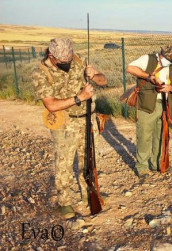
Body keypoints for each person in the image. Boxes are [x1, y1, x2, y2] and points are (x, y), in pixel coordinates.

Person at [32, 38, 107, 219]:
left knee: (88, 159)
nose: (68, 63)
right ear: (52, 56)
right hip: (65, 123)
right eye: (63, 62)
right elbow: (51, 105)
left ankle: (88, 194)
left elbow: (103, 81)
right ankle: (64, 202)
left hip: (87, 120)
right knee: (64, 164)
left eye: (69, 60)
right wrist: (79, 97)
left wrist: (94, 75)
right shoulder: (41, 72)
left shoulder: (78, 60)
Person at [126, 45, 172, 179]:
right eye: (167, 58)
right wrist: (149, 77)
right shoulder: (148, 59)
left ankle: (157, 164)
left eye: (171, 60)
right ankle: (142, 167)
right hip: (146, 105)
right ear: (161, 53)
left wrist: (170, 88)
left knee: (160, 136)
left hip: (164, 106)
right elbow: (130, 68)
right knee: (144, 136)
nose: (168, 61)